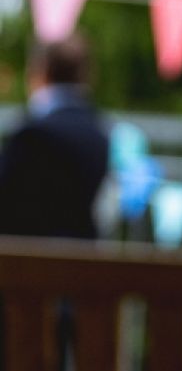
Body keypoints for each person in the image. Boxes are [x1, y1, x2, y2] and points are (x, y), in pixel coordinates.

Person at [0, 35, 110, 239]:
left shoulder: (33, 135)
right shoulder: (100, 134)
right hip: (82, 257)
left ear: (41, 71)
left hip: (27, 260)